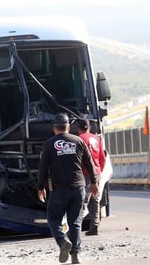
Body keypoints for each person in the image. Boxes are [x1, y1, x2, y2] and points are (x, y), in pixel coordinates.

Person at [38, 113, 99, 264]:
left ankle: (62, 241)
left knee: (54, 218)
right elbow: (90, 163)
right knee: (75, 223)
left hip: (59, 190)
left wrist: (40, 187)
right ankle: (75, 255)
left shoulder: (49, 144)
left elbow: (43, 168)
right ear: (69, 127)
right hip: (78, 188)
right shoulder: (78, 141)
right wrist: (94, 182)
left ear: (54, 128)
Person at [76, 119, 106, 236]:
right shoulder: (97, 138)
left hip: (85, 174)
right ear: (88, 127)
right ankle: (95, 226)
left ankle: (75, 229)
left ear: (78, 128)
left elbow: (77, 159)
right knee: (94, 200)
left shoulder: (80, 139)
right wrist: (99, 170)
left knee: (83, 201)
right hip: (97, 172)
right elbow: (102, 157)